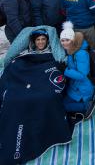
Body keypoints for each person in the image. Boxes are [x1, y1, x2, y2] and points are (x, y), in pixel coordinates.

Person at [0, 26, 73, 165]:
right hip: (21, 87)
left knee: (45, 98)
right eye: (38, 40)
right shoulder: (24, 55)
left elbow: (57, 77)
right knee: (12, 100)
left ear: (48, 41)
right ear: (33, 41)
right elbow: (12, 71)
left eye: (43, 39)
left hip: (41, 87)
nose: (40, 42)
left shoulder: (53, 56)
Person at [60, 22, 95, 118]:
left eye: (67, 40)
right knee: (61, 101)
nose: (64, 43)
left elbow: (82, 75)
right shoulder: (71, 50)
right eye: (62, 40)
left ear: (72, 40)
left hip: (83, 88)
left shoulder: (80, 54)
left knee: (62, 106)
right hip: (75, 86)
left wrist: (65, 70)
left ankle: (86, 106)